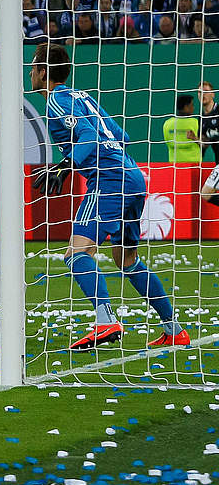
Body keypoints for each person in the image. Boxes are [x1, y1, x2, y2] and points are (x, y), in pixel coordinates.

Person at [30, 43, 188, 349]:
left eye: (33, 68)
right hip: (133, 176)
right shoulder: (83, 96)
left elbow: (89, 135)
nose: (31, 74)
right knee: (126, 258)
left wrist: (66, 164)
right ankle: (174, 330)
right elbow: (123, 136)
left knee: (76, 254)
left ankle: (106, 322)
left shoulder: (57, 103)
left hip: (109, 181)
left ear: (42, 71)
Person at [162, 94, 201, 163]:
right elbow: (203, 143)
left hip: (174, 164)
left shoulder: (167, 123)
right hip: (194, 165)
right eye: (192, 105)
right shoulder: (196, 123)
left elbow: (167, 141)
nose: (193, 108)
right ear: (186, 107)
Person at [200, 81, 219, 165]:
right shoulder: (201, 118)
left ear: (213, 94)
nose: (203, 94)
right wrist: (194, 138)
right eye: (200, 92)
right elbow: (205, 144)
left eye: (206, 91)